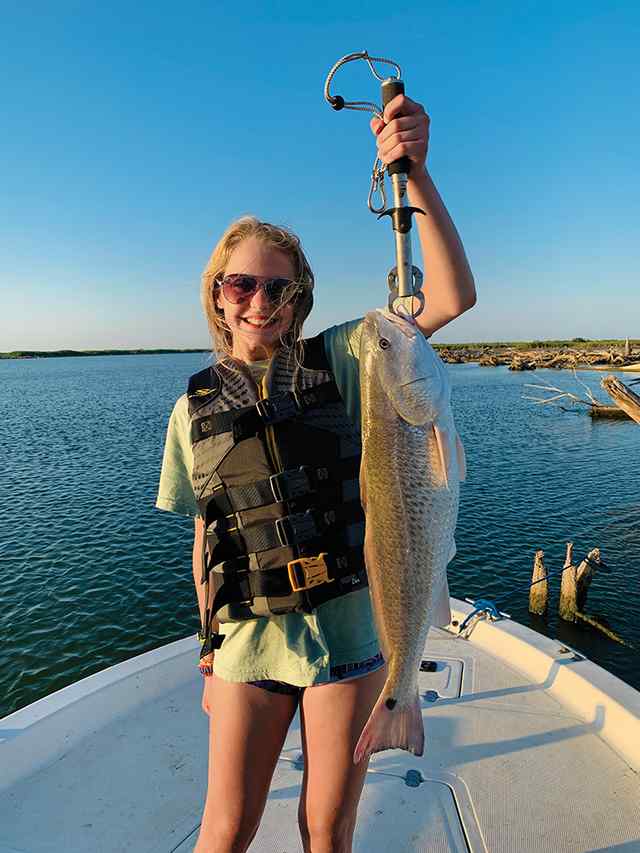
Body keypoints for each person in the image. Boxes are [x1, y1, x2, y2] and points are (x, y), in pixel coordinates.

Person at [156, 95, 476, 853]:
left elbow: (453, 297)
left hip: (349, 637)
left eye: (278, 287)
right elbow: (208, 540)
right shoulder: (191, 408)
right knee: (224, 828)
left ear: (299, 298)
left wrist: (417, 177)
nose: (260, 300)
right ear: (218, 294)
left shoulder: (345, 357)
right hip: (248, 646)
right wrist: (207, 648)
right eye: (242, 284)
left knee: (324, 829)